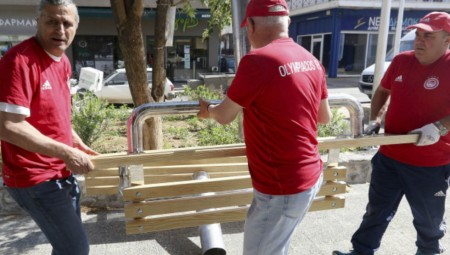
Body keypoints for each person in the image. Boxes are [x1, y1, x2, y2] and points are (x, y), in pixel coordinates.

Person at [197, 0, 332, 254]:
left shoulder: (258, 60)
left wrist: (208, 112)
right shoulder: (311, 59)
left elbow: (225, 115)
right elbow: (324, 117)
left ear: (251, 25)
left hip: (281, 187)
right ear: (287, 23)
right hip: (310, 176)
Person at [333, 11, 450, 255]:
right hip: (390, 156)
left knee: (428, 219)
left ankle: (429, 251)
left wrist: (439, 127)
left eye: (429, 36)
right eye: (418, 34)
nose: (420, 40)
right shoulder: (401, 61)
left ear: (447, 40)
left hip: (430, 163)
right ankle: (361, 251)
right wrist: (375, 119)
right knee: (376, 210)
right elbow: (382, 91)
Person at [0, 0, 97, 254]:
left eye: (67, 23)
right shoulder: (18, 61)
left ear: (76, 27)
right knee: (75, 249)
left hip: (61, 172)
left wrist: (75, 142)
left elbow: (57, 115)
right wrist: (66, 152)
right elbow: (9, 126)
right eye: (52, 21)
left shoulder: (62, 61)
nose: (60, 30)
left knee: (65, 247)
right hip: (33, 177)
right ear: (38, 21)